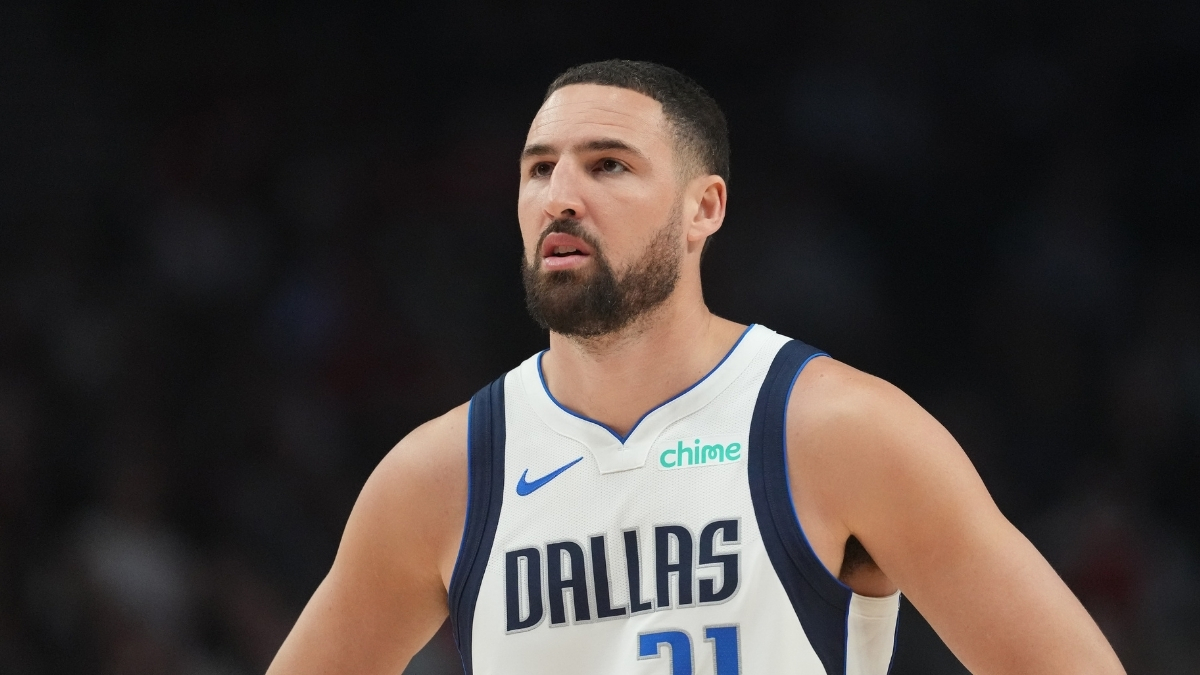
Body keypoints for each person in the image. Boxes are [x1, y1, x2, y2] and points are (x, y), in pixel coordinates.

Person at [267, 60, 1124, 675]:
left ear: (702, 208)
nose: (560, 194)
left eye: (608, 164)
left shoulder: (838, 430)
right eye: (538, 169)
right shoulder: (440, 476)